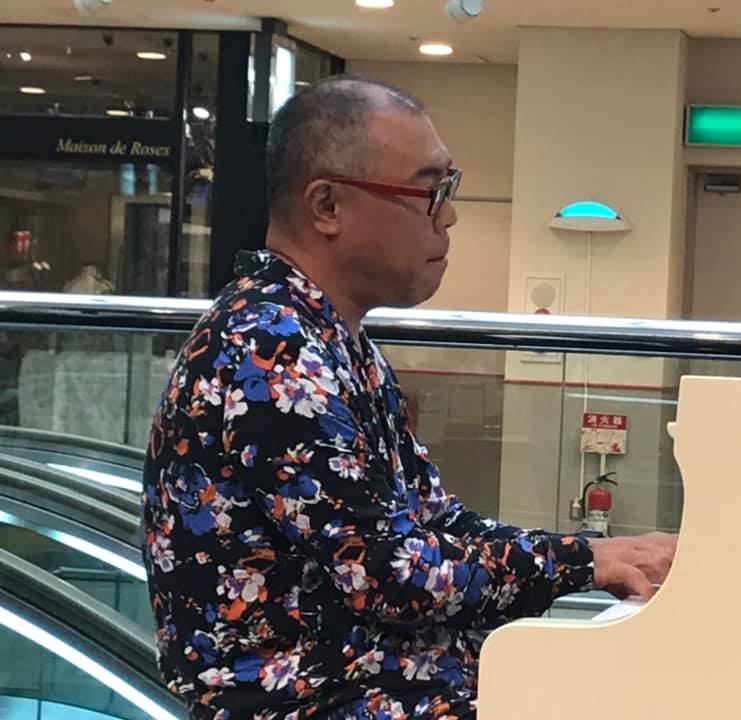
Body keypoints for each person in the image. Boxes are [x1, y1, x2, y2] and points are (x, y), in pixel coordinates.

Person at [141, 76, 677, 720]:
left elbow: (435, 524)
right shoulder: (270, 349)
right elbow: (392, 576)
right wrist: (580, 560)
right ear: (327, 205)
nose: (448, 216)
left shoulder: (327, 337)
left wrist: (598, 552)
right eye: (430, 191)